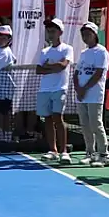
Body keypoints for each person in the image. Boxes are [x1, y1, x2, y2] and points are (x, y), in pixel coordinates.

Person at [35, 18, 73, 165]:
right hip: (44, 89)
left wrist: (48, 67)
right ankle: (53, 150)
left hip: (59, 88)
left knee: (58, 118)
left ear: (60, 32)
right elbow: (39, 70)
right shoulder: (45, 51)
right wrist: (53, 67)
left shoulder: (67, 49)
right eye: (49, 31)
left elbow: (62, 66)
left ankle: (64, 151)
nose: (51, 34)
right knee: (48, 119)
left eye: (53, 31)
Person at [74, 22, 109, 167]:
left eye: (88, 34)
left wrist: (85, 88)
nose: (85, 37)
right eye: (83, 34)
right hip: (81, 96)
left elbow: (99, 73)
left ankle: (104, 155)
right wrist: (78, 88)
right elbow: (77, 72)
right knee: (85, 125)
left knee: (96, 124)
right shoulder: (84, 53)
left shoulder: (102, 52)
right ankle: (90, 153)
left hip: (95, 95)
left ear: (95, 35)